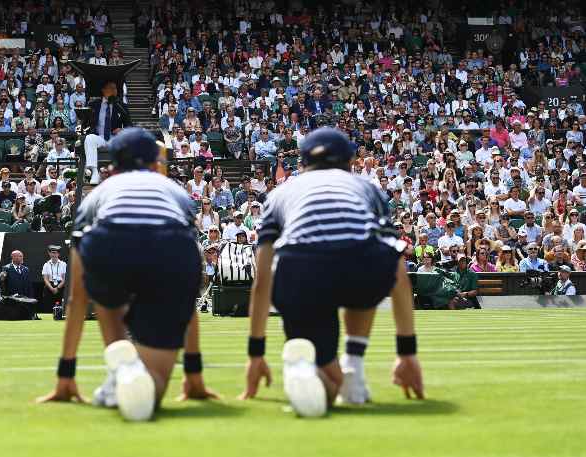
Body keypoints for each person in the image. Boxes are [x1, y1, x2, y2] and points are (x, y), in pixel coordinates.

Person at [240, 128, 423, 418]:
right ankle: (353, 367)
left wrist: (256, 353)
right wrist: (406, 352)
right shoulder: (367, 188)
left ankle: (318, 376)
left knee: (326, 383)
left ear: (302, 163)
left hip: (299, 271)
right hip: (362, 268)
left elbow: (262, 278)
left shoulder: (279, 194)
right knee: (376, 256)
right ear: (349, 160)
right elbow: (396, 267)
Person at [37, 128, 216, 421]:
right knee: (152, 392)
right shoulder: (174, 191)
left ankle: (122, 368)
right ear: (155, 162)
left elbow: (77, 299)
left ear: (112, 166)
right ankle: (134, 377)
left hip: (111, 246)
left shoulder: (99, 194)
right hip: (172, 249)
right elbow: (186, 294)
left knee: (110, 296)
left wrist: (65, 375)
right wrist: (194, 375)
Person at [41, 245, 67, 311]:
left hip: (60, 286)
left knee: (61, 306)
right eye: (52, 252)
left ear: (58, 254)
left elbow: (64, 278)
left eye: (55, 252)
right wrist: (52, 288)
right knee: (48, 306)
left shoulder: (63, 264)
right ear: (49, 253)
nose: (54, 254)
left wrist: (58, 288)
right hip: (49, 286)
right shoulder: (46, 264)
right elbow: (45, 279)